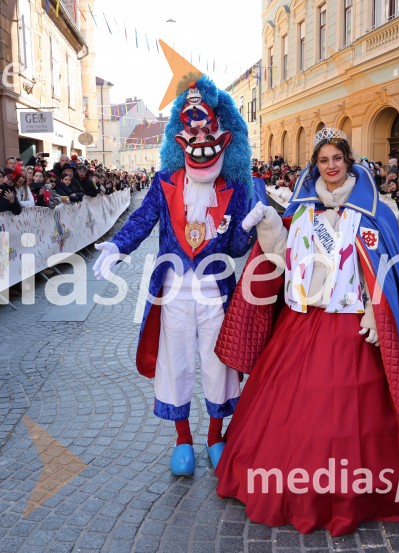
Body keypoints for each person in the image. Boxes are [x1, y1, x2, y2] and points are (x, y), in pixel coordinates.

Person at [215, 128, 399, 534]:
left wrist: (378, 314)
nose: (330, 167)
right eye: (323, 161)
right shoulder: (303, 209)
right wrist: (271, 226)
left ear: (349, 161)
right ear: (316, 164)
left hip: (350, 321)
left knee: (354, 409)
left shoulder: (373, 211)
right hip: (303, 318)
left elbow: (384, 267)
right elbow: (284, 258)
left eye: (337, 160)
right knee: (286, 405)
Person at [92, 77, 256, 477]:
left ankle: (216, 435)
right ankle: (183, 439)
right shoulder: (164, 183)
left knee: (219, 364)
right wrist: (118, 245)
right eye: (190, 126)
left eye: (208, 125)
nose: (200, 135)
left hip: (216, 291)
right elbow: (143, 219)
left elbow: (235, 248)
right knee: (176, 362)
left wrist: (251, 223)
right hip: (173, 290)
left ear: (224, 135)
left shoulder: (235, 188)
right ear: (177, 138)